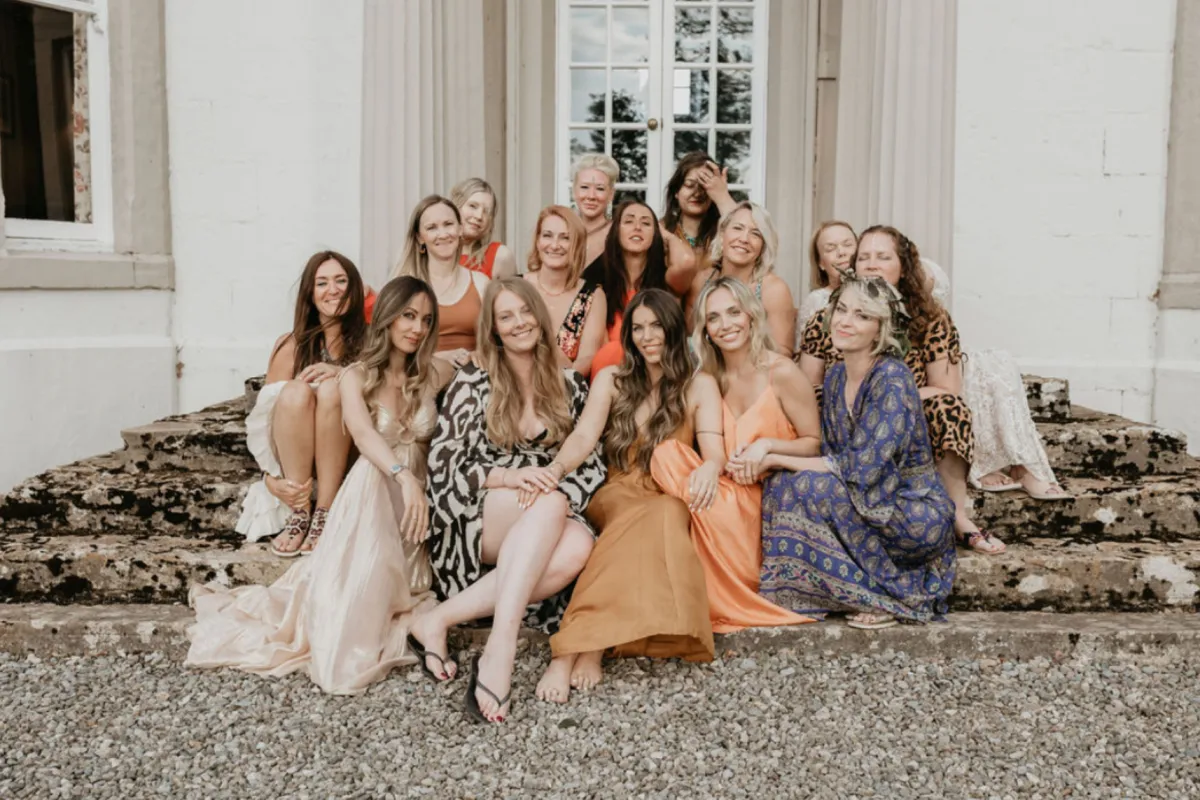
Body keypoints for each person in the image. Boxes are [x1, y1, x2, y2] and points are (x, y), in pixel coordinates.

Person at [188, 277, 456, 693]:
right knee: (348, 621)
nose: (417, 328)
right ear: (386, 317)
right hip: (378, 489)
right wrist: (403, 477)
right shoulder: (356, 376)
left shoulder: (433, 373)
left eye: (426, 319)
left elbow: (477, 359)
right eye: (407, 316)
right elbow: (364, 435)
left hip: (416, 502)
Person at [417, 278, 606, 723]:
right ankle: (500, 649)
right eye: (506, 316)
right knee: (550, 505)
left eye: (525, 311)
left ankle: (437, 620)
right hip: (478, 511)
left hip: (547, 511)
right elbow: (445, 465)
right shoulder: (473, 381)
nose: (519, 322)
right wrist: (510, 477)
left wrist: (549, 486)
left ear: (540, 317)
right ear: (494, 328)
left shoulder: (569, 385)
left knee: (578, 545)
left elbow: (593, 466)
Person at [530, 289, 723, 703]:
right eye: (638, 328)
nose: (647, 336)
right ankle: (570, 652)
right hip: (617, 488)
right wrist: (556, 469)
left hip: (667, 491)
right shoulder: (612, 379)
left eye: (656, 326)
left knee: (664, 512)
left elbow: (714, 447)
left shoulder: (699, 384)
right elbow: (584, 435)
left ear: (674, 328)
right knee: (639, 517)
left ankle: (588, 646)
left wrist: (711, 466)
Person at [760, 274, 957, 629]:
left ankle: (888, 598)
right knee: (781, 484)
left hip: (911, 510)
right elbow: (832, 455)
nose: (845, 321)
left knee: (806, 485)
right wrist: (771, 453)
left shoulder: (892, 378)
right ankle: (807, 591)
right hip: (863, 499)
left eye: (862, 315)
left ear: (881, 328)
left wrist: (775, 457)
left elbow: (860, 468)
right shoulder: (836, 376)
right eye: (842, 310)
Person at [797, 225, 1004, 553]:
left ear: (903, 266)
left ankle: (956, 515)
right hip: (845, 416)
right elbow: (807, 384)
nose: (871, 264)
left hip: (911, 419)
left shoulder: (930, 318)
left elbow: (946, 387)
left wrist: (887, 403)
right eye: (863, 257)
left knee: (950, 409)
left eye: (883, 257)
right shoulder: (830, 318)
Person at [666, 277, 819, 633]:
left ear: (751, 316)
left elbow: (814, 444)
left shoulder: (782, 372)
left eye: (734, 312)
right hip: (723, 493)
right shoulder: (707, 378)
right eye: (714, 317)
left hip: (769, 500)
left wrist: (768, 446)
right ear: (705, 331)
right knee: (668, 457)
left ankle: (725, 592)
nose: (726, 324)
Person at [239, 251, 366, 555]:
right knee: (295, 391)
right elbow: (265, 420)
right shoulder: (291, 346)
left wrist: (344, 373)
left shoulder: (372, 342)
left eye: (341, 281)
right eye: (322, 283)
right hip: (299, 460)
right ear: (310, 293)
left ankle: (325, 512)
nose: (332, 290)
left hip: (349, 451)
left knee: (333, 389)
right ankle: (300, 512)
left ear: (354, 288)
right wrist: (269, 478)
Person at [583, 200, 698, 377]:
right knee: (611, 350)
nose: (637, 227)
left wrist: (663, 233)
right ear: (616, 231)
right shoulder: (598, 284)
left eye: (646, 223)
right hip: (607, 375)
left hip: (656, 373)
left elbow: (686, 261)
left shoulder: (666, 282)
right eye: (629, 221)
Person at [392, 195, 490, 370]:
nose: (443, 234)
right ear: (419, 237)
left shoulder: (481, 283)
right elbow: (391, 348)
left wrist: (480, 354)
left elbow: (496, 343)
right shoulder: (404, 286)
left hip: (473, 376)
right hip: (420, 375)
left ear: (460, 229)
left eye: (448, 224)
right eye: (432, 228)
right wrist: (438, 358)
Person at [687, 201, 798, 357]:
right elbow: (690, 339)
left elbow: (783, 352)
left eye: (756, 233)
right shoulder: (702, 281)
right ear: (722, 234)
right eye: (737, 228)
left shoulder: (773, 289)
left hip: (757, 369)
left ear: (763, 246)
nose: (744, 239)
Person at [524, 205, 607, 375]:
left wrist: (560, 383)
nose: (555, 245)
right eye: (547, 235)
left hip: (568, 384)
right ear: (538, 241)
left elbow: (587, 358)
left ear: (577, 244)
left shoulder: (592, 295)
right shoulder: (516, 287)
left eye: (565, 238)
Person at [450, 177, 518, 279]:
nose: (479, 216)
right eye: (473, 206)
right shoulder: (436, 253)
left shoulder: (500, 256)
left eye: (486, 211)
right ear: (455, 206)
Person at [798, 221, 858, 329]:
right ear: (820, 263)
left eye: (847, 245)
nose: (841, 252)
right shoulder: (815, 302)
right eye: (830, 248)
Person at [572, 153, 620, 271]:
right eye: (584, 187)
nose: (591, 196)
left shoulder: (618, 235)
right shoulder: (562, 232)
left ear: (611, 194)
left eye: (600, 188)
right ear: (574, 191)